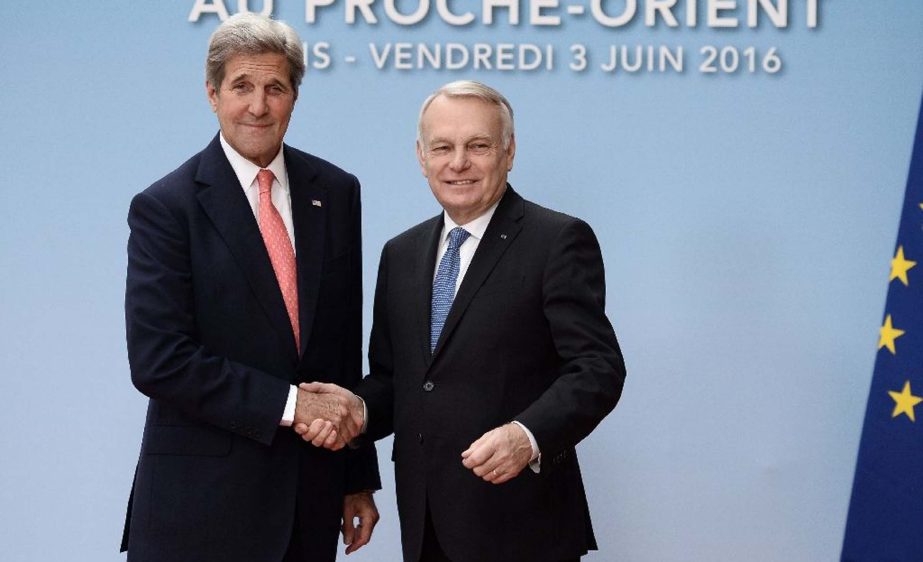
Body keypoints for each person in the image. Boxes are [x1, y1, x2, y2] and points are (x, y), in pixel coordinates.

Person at [298, 80, 626, 561]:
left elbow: (598, 368)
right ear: (421, 156)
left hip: (524, 527)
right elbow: (398, 380)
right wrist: (357, 411)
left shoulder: (557, 240)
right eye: (443, 147)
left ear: (509, 151)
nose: (458, 163)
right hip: (427, 524)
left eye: (478, 146)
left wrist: (527, 435)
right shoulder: (401, 253)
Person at [121, 13, 380, 562]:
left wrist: (355, 474)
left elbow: (340, 344)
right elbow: (159, 360)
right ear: (212, 94)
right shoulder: (166, 208)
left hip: (308, 504)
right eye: (242, 86)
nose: (258, 106)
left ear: (294, 98)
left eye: (275, 88)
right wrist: (292, 405)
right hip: (201, 510)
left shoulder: (335, 191)